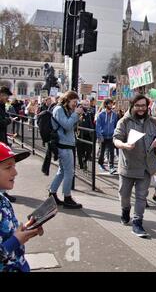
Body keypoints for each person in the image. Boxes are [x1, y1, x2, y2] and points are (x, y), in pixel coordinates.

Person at [113, 94, 156, 238]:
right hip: (128, 166)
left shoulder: (153, 122)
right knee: (124, 194)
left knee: (141, 196)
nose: (141, 109)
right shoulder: (124, 122)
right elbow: (116, 139)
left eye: (143, 106)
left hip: (146, 167)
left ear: (147, 107)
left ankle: (137, 222)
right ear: (132, 106)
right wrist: (124, 145)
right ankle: (125, 210)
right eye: (138, 106)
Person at [0, 142, 44, 272]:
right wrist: (16, 240)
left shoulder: (3, 199)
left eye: (14, 166)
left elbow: (6, 233)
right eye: (8, 167)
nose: (15, 172)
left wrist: (26, 229)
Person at [48, 91, 84, 209]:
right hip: (64, 145)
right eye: (74, 102)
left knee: (62, 171)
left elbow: (69, 126)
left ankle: (52, 193)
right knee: (69, 172)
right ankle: (67, 197)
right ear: (67, 100)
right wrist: (75, 115)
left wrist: (76, 116)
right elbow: (67, 125)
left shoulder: (64, 110)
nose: (75, 104)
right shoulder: (59, 110)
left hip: (66, 143)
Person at [0, 86, 16, 203]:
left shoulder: (1, 106)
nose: (7, 98)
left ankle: (3, 193)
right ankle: (3, 194)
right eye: (6, 96)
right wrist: (9, 120)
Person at [96, 99, 119, 174]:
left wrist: (115, 134)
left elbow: (116, 125)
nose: (111, 105)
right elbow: (98, 126)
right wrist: (99, 136)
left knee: (112, 152)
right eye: (110, 104)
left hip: (111, 136)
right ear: (106, 105)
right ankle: (101, 163)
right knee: (102, 152)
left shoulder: (115, 115)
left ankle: (111, 166)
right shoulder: (100, 115)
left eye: (112, 104)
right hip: (103, 136)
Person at [76, 100, 95, 170]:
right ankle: (81, 165)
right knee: (80, 152)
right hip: (80, 135)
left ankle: (85, 161)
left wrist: (92, 132)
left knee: (89, 150)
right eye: (85, 105)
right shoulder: (77, 114)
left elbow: (91, 123)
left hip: (88, 136)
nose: (86, 107)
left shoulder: (89, 114)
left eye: (87, 105)